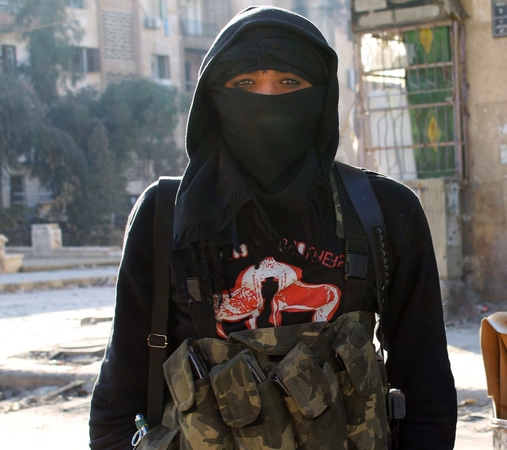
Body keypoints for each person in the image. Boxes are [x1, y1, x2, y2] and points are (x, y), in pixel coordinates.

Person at [88, 6, 457, 449]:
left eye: (290, 83)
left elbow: (426, 385)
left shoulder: (384, 211)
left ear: (320, 97)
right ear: (213, 98)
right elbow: (119, 393)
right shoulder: (166, 215)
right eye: (244, 83)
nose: (266, 99)